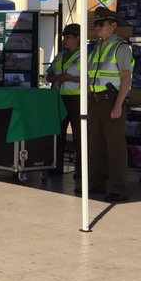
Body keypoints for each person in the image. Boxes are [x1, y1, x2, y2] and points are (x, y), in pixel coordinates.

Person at [86, 7, 133, 201]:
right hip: (95, 101)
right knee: (95, 146)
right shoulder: (97, 47)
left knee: (115, 148)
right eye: (95, 24)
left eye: (101, 24)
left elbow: (126, 79)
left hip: (111, 100)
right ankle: (97, 184)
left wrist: (118, 106)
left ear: (113, 25)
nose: (97, 27)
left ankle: (118, 189)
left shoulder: (120, 48)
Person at [46, 24, 82, 178]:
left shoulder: (84, 56)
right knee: (58, 133)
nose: (64, 40)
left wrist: (70, 78)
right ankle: (56, 166)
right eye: (63, 37)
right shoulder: (60, 56)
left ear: (77, 38)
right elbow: (48, 75)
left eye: (68, 37)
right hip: (59, 98)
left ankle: (81, 170)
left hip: (76, 98)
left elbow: (90, 79)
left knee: (79, 136)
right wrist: (56, 78)